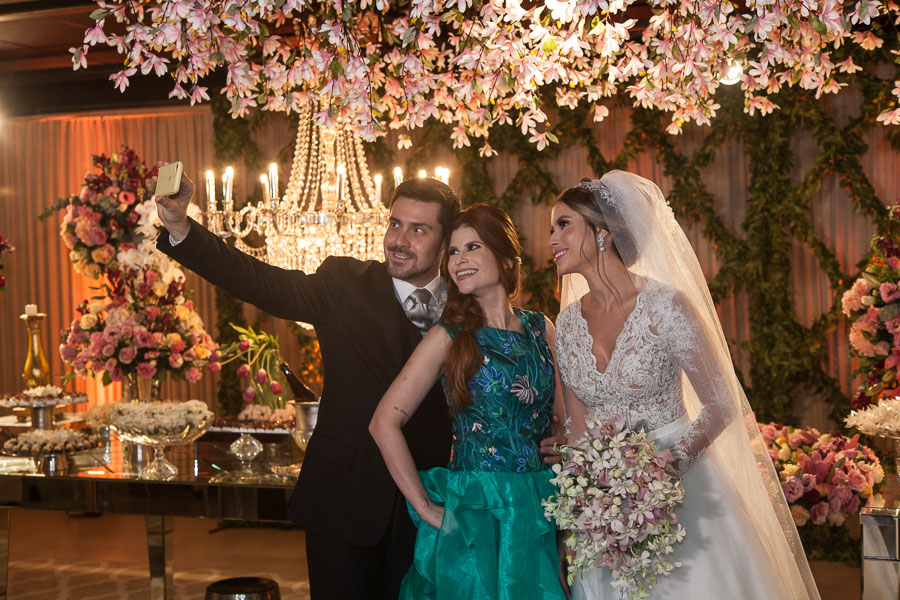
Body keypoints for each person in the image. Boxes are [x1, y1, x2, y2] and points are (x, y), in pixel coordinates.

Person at [154, 176, 561, 599]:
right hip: (343, 503)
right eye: (395, 224)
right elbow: (259, 281)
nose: (399, 240)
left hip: (434, 507)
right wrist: (182, 229)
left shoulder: (469, 306)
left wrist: (553, 434)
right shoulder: (343, 284)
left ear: (444, 243)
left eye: (418, 230)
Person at [548, 171, 821, 600]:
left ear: (602, 233)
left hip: (683, 485)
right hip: (606, 503)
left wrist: (661, 470)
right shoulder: (566, 324)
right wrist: (582, 509)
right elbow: (578, 426)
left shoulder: (665, 305)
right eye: (552, 229)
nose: (551, 240)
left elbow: (720, 402)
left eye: (563, 224)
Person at [369, 204, 567, 600]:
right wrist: (425, 507)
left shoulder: (541, 327)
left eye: (472, 247)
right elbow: (383, 423)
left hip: (539, 505)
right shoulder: (447, 337)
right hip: (475, 509)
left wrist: (563, 443)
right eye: (454, 252)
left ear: (506, 258)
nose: (459, 261)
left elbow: (563, 417)